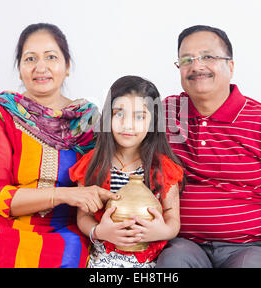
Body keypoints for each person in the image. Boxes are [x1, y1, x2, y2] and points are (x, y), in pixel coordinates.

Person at [0, 23, 118, 268]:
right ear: (20, 68)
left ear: (67, 67)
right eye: (30, 58)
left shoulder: (87, 119)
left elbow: (106, 179)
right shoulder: (2, 111)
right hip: (6, 226)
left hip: (67, 230)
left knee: (69, 256)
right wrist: (65, 194)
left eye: (51, 57)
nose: (40, 67)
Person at [157, 25, 261, 268]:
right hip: (185, 244)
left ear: (231, 66)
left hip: (250, 247)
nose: (196, 66)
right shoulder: (165, 113)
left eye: (208, 57)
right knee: (172, 263)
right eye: (187, 59)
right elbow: (113, 143)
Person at [69, 75, 184, 268]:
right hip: (103, 257)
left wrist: (161, 232)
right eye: (119, 114)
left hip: (149, 260)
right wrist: (99, 232)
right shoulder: (93, 164)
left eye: (139, 116)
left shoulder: (163, 168)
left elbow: (173, 218)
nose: (128, 125)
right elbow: (83, 217)